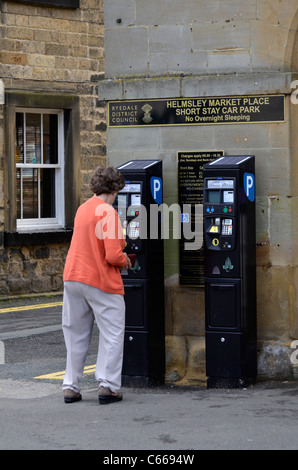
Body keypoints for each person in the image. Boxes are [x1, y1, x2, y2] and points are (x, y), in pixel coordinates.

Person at [62, 166, 131, 404]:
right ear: (113, 189)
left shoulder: (83, 208)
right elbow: (113, 255)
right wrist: (127, 262)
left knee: (75, 334)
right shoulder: (108, 213)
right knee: (112, 334)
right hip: (100, 280)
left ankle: (70, 386)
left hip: (73, 277)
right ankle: (108, 386)